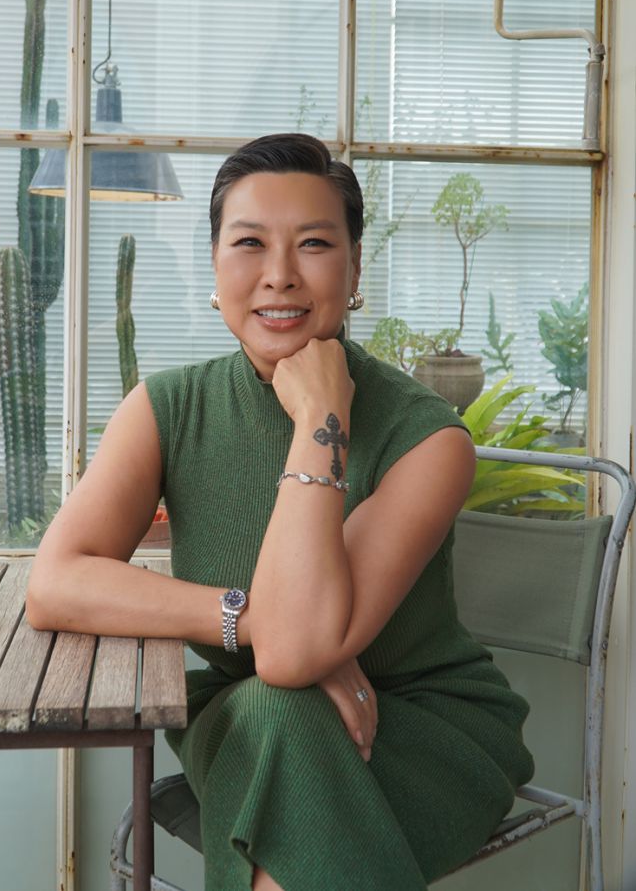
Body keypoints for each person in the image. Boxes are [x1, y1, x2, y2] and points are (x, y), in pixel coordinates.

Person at [27, 133, 534, 891]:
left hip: (421, 729)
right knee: (280, 712)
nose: (280, 275)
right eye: (250, 243)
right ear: (215, 264)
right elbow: (55, 583)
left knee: (284, 734)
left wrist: (321, 416)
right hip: (242, 711)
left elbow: (294, 655)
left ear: (354, 270)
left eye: (315, 244)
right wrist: (251, 618)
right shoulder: (167, 408)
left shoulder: (428, 438)